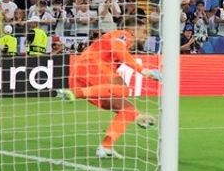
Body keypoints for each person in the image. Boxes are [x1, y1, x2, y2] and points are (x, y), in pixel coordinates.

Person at [55, 19, 161, 158]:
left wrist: (138, 116)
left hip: (82, 75)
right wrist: (142, 70)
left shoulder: (119, 39)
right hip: (93, 66)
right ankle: (77, 93)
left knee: (127, 110)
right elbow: (118, 49)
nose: (146, 35)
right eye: (144, 31)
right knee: (125, 89)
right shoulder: (123, 34)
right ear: (134, 30)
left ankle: (106, 147)